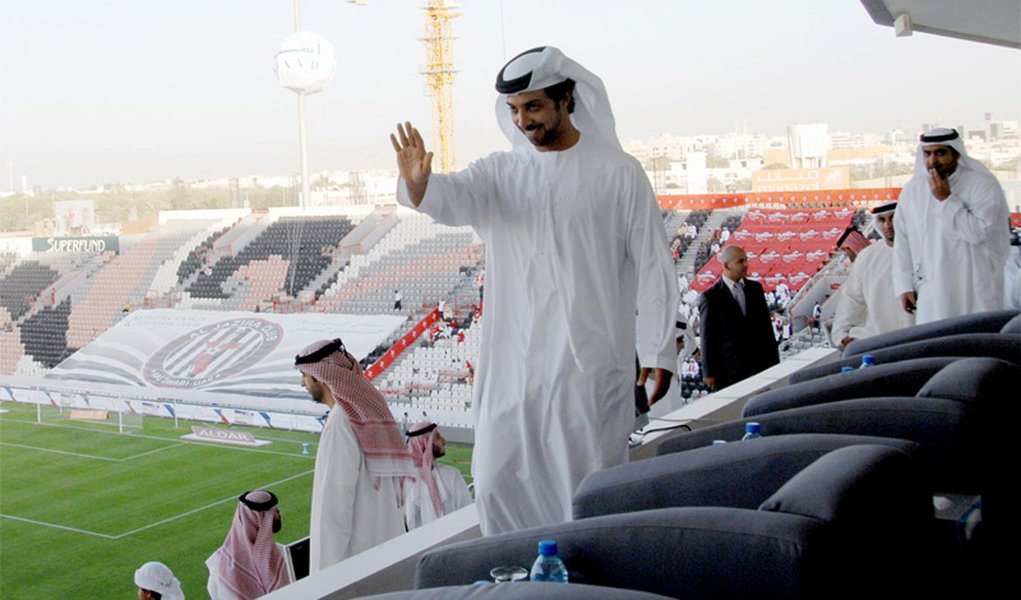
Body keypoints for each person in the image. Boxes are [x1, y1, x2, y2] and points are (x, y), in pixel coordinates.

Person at [390, 46, 678, 535]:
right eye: (514, 110)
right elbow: (451, 197)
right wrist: (419, 185)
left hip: (587, 371)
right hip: (512, 370)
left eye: (534, 106)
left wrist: (656, 348)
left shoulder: (619, 172)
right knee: (496, 483)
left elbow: (654, 266)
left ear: (567, 99)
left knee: (583, 495)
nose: (523, 121)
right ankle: (515, 572)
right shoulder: (501, 173)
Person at [294, 339, 416, 573]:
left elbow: (334, 508)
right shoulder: (368, 412)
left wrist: (325, 578)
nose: (302, 383)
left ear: (319, 376)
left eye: (304, 376)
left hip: (358, 563)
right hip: (390, 549)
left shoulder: (340, 422)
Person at [893, 127, 1010, 324]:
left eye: (940, 153)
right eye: (928, 154)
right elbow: (903, 242)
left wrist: (946, 200)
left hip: (972, 288)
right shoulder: (912, 191)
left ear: (956, 153)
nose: (933, 161)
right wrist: (904, 285)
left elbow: (978, 233)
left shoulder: (982, 185)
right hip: (931, 290)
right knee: (935, 338)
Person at [831, 202, 915, 349]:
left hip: (920, 338)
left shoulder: (922, 251)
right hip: (880, 343)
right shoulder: (868, 257)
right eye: (882, 220)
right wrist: (841, 336)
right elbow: (852, 298)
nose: (888, 226)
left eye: (892, 218)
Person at [698, 245, 779, 390]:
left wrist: (774, 361)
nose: (746, 264)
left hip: (760, 365)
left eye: (746, 260)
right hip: (730, 370)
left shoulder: (755, 289)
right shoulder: (710, 297)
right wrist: (709, 372)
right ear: (726, 265)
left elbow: (766, 328)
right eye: (740, 261)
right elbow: (708, 337)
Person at [206, 490, 289, 600]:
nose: (278, 513)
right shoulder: (282, 555)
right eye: (274, 512)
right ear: (260, 520)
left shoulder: (218, 561)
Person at [404, 421, 473, 529]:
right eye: (437, 437)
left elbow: (466, 513)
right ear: (426, 442)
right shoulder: (405, 482)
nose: (443, 440)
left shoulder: (452, 475)